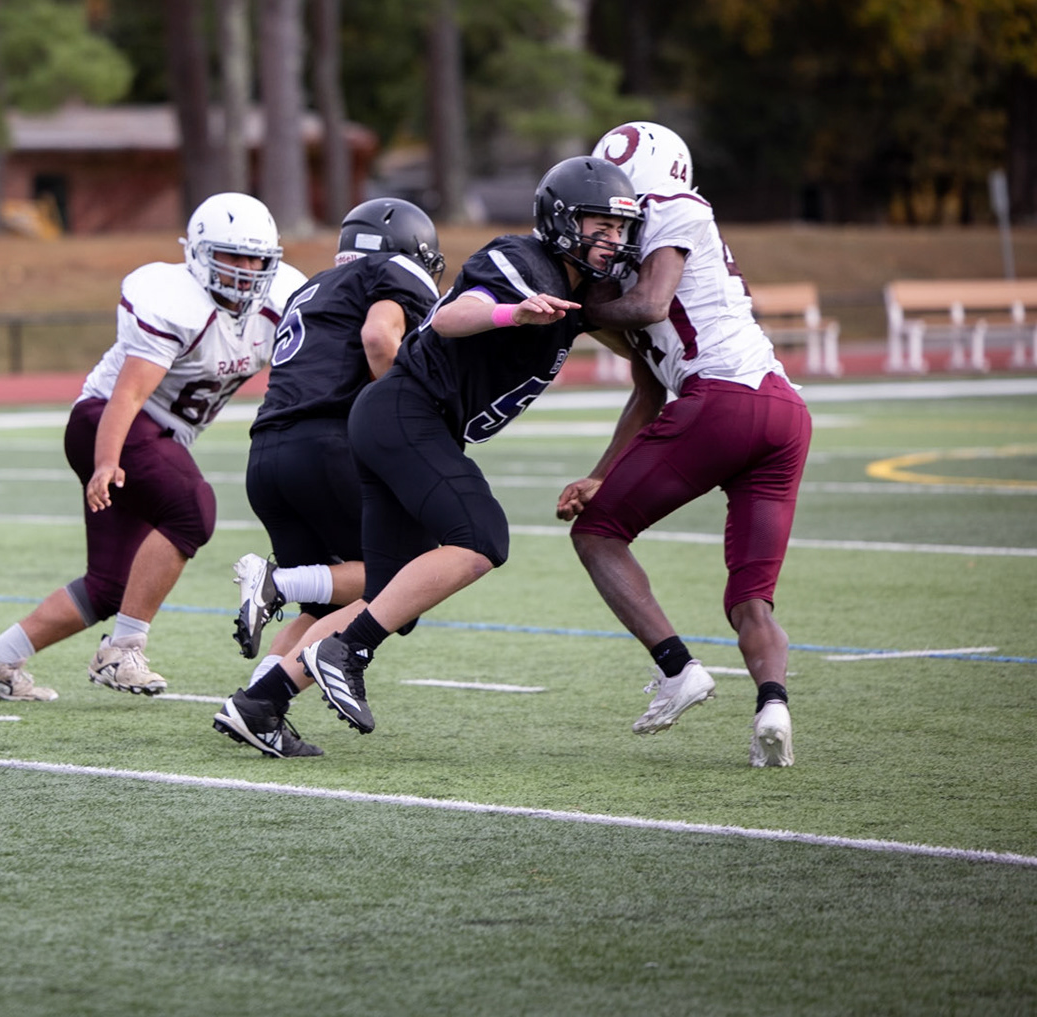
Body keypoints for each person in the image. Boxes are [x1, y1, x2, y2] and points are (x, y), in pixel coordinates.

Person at [212, 157, 639, 757]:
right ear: (564, 221)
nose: (614, 240)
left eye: (621, 229)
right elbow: (449, 316)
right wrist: (510, 313)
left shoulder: (574, 291)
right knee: (483, 535)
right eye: (603, 226)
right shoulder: (522, 259)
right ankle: (337, 643)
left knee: (387, 596)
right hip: (402, 413)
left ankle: (261, 704)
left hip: (350, 427)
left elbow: (631, 325)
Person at [0, 193, 306, 702]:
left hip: (158, 434)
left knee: (110, 587)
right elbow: (131, 394)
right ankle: (123, 651)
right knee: (192, 509)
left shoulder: (282, 302)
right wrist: (106, 461)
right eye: (233, 255)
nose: (246, 270)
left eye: (256, 258)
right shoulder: (174, 301)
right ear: (200, 253)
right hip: (107, 421)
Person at [556, 121, 811, 768]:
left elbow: (649, 304)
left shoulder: (675, 207)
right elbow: (648, 390)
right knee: (749, 597)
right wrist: (601, 474)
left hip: (724, 399)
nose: (612, 224)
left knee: (597, 535)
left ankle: (678, 670)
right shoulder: (639, 248)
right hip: (782, 413)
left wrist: (575, 313)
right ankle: (773, 707)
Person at [229, 199, 445, 700]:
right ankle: (279, 583)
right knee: (407, 579)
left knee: (326, 601)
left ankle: (259, 703)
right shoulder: (392, 270)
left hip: (267, 455)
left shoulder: (311, 287)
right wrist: (408, 418)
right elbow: (379, 338)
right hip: (326, 446)